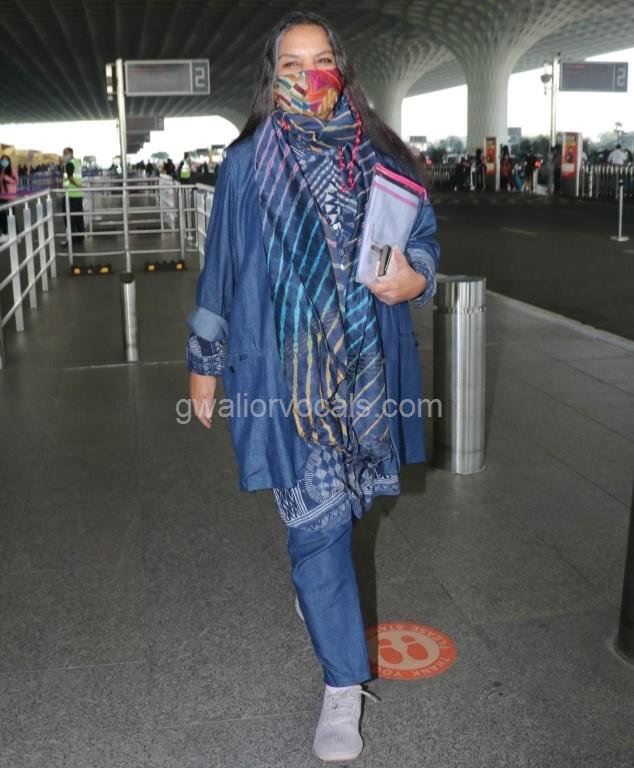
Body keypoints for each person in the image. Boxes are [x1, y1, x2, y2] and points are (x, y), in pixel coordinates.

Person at [185, 11, 439, 763]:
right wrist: (204, 361)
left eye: (320, 60)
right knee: (317, 528)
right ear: (273, 77)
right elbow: (222, 268)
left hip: (367, 370)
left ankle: (320, 595)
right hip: (283, 376)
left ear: (341, 68)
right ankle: (341, 685)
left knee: (349, 511)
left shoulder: (382, 157)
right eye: (291, 65)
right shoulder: (245, 164)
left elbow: (423, 240)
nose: (308, 76)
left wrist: (415, 278)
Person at [61, 146, 84, 246]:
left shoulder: (69, 164)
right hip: (78, 194)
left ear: (70, 153)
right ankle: (80, 238)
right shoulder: (77, 163)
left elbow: (70, 178)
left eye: (65, 153)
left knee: (69, 218)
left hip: (70, 195)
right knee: (78, 217)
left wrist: (77, 185)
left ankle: (71, 239)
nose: (63, 155)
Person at [0, 154, 18, 244]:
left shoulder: (12, 170)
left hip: (9, 196)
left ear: (9, 161)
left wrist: (5, 177)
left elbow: (15, 181)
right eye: (2, 160)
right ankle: (5, 233)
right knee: (2, 215)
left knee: (11, 215)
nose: (4, 162)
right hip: (1, 196)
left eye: (6, 160)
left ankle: (15, 235)